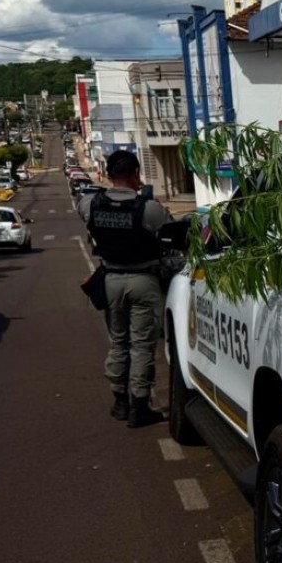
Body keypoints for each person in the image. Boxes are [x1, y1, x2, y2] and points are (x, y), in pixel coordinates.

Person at [80, 150, 174, 428]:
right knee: (142, 345)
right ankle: (139, 405)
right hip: (143, 281)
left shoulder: (89, 204)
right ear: (135, 173)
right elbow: (169, 233)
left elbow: (88, 222)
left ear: (108, 174)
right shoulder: (149, 208)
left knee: (118, 341)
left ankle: (119, 401)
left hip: (110, 281)